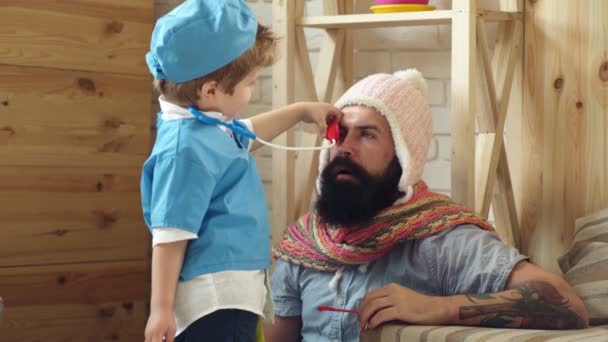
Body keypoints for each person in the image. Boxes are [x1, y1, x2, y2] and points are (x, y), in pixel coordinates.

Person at [265, 69, 589, 342]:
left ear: (404, 157)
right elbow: (283, 335)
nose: (345, 148)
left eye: (367, 135)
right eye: (341, 133)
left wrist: (436, 308)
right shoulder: (305, 244)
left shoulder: (441, 240)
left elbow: (568, 305)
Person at [140, 1, 341, 341]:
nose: (251, 92)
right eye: (250, 83)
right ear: (211, 91)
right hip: (216, 303)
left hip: (231, 297)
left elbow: (246, 134)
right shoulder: (184, 150)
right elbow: (170, 234)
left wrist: (301, 111)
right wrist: (160, 309)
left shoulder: (205, 126)